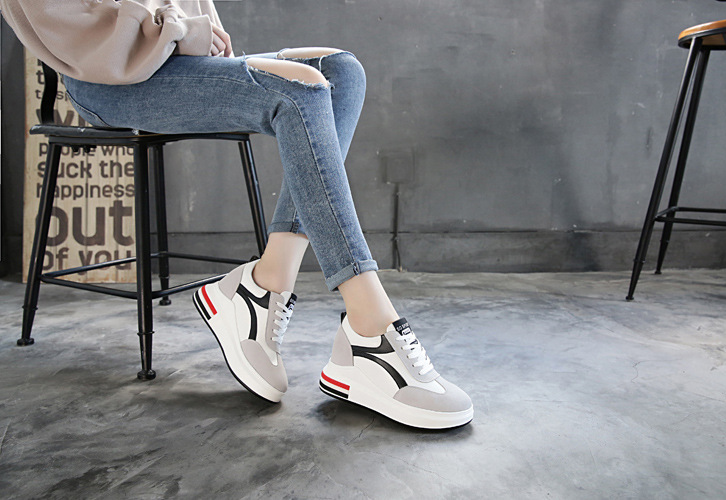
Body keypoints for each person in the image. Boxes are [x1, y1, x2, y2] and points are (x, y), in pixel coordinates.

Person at [1, 0, 473, 429]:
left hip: (176, 59)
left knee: (341, 72)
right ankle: (370, 330)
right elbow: (70, 23)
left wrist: (197, 34)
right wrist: (185, 31)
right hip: (108, 78)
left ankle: (264, 286)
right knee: (298, 90)